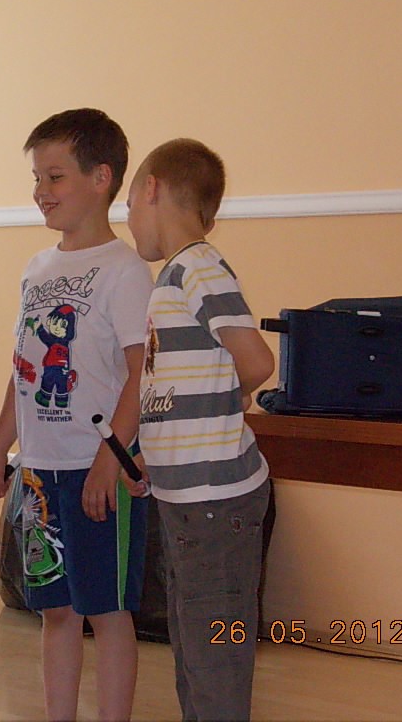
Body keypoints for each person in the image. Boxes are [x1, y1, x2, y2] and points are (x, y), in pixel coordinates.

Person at [0, 108, 153, 722]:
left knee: (107, 612)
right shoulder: (37, 269)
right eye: (37, 178)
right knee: (55, 610)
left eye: (55, 177)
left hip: (97, 471)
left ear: (101, 177)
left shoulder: (125, 271)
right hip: (38, 472)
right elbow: (23, 369)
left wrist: (113, 459)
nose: (41, 191)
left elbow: (141, 374)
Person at [125, 138, 275, 721]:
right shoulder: (174, 278)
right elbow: (174, 393)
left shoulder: (197, 269)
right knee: (194, 645)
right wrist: (152, 455)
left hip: (216, 501)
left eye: (130, 204)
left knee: (214, 654)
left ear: (152, 188)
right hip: (187, 499)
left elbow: (256, 362)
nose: (129, 220)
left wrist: (224, 402)